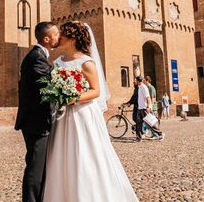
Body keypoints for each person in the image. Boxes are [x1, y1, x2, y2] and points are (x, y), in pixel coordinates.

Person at [43, 21, 139, 201]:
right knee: (63, 154)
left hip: (83, 114)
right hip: (63, 117)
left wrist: (74, 97)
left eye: (63, 33)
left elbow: (96, 91)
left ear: (72, 39)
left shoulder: (86, 62)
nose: (59, 36)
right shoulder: (57, 62)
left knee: (86, 154)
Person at [15, 21, 60, 202]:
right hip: (37, 122)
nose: (60, 36)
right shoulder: (37, 57)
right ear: (47, 39)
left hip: (35, 121)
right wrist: (66, 96)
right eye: (56, 34)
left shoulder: (38, 55)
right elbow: (45, 88)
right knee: (35, 168)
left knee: (38, 167)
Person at [136, 76, 164, 141]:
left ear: (138, 81)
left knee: (150, 123)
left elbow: (148, 98)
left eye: (136, 80)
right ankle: (139, 137)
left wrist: (148, 107)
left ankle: (160, 134)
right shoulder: (140, 87)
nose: (135, 81)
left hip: (144, 108)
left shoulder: (143, 87)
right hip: (140, 108)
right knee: (138, 124)